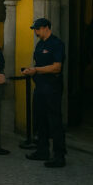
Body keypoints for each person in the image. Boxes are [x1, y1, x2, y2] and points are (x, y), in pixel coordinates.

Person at [23, 18, 67, 168]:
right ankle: (42, 150)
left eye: (37, 29)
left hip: (52, 87)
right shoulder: (40, 44)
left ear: (46, 27)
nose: (35, 31)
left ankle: (59, 155)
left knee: (54, 120)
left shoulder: (56, 44)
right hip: (40, 86)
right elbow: (39, 64)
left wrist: (36, 70)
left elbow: (57, 67)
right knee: (40, 119)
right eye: (35, 29)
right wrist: (32, 71)